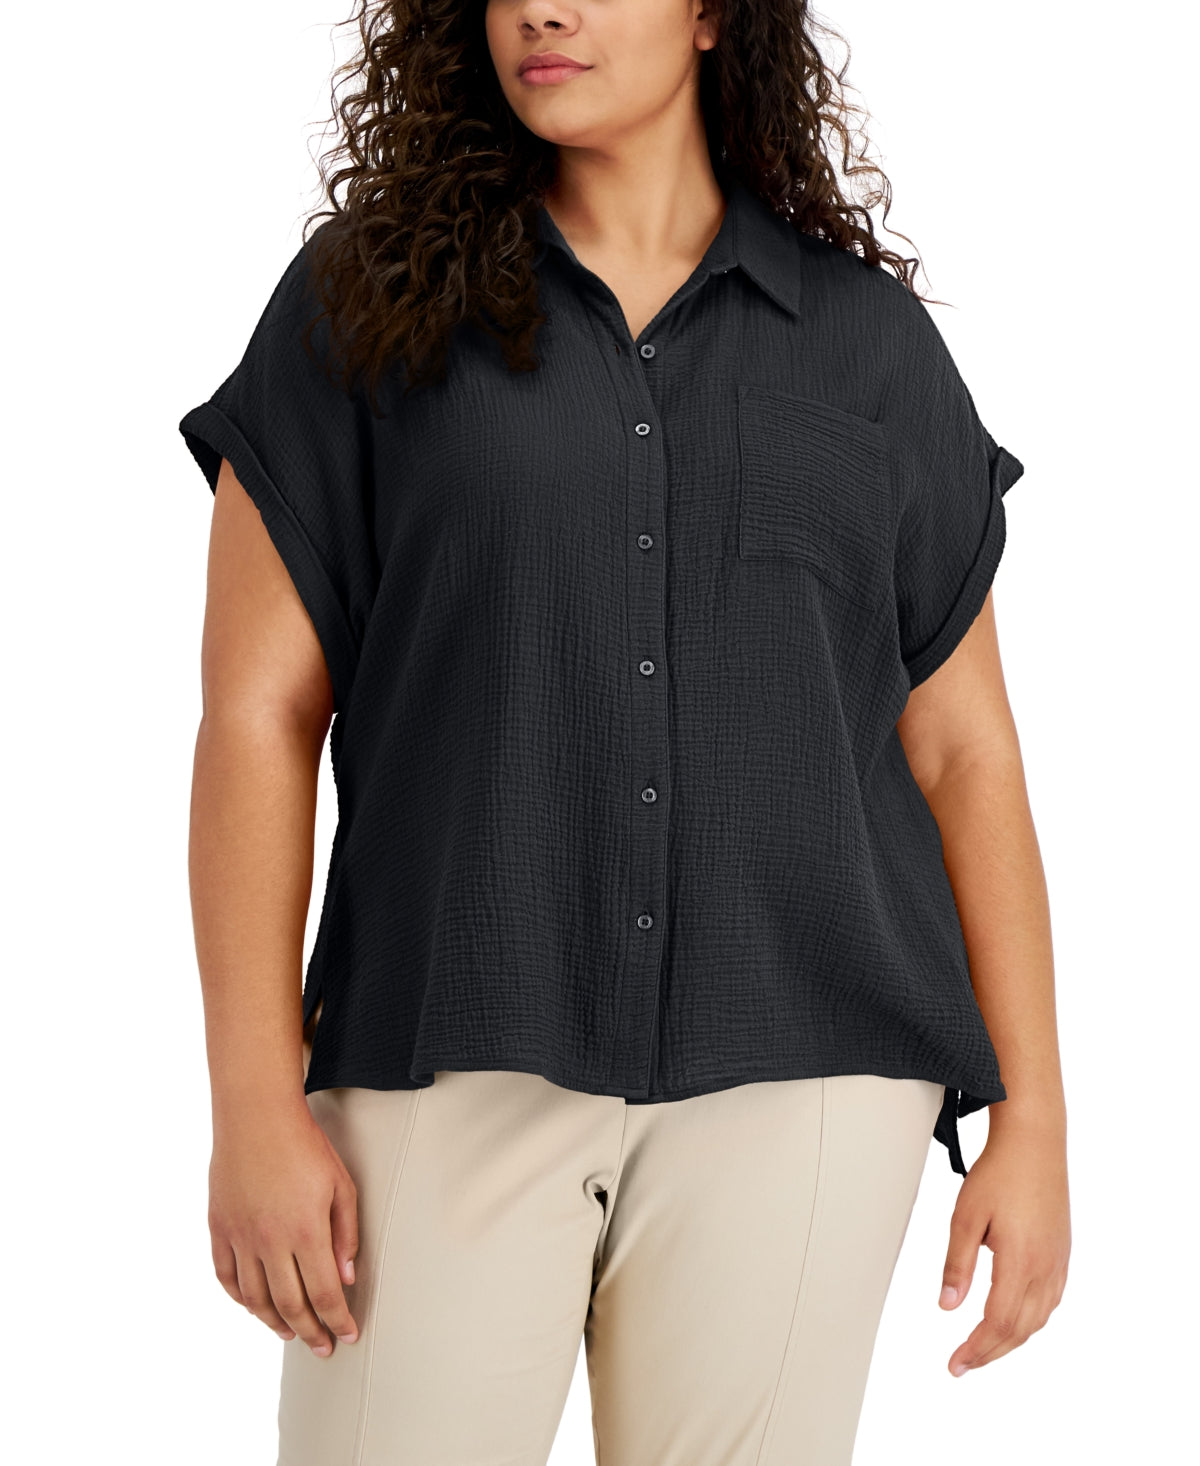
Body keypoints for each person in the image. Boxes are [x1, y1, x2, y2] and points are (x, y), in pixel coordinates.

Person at [179, 2, 1070, 1462]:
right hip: (446, 1051)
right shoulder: (365, 309)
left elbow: (964, 751)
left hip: (803, 1070)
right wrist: (251, 1103)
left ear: (715, 14)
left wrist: (1033, 1119)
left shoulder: (867, 346)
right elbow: (255, 714)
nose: (543, 7)